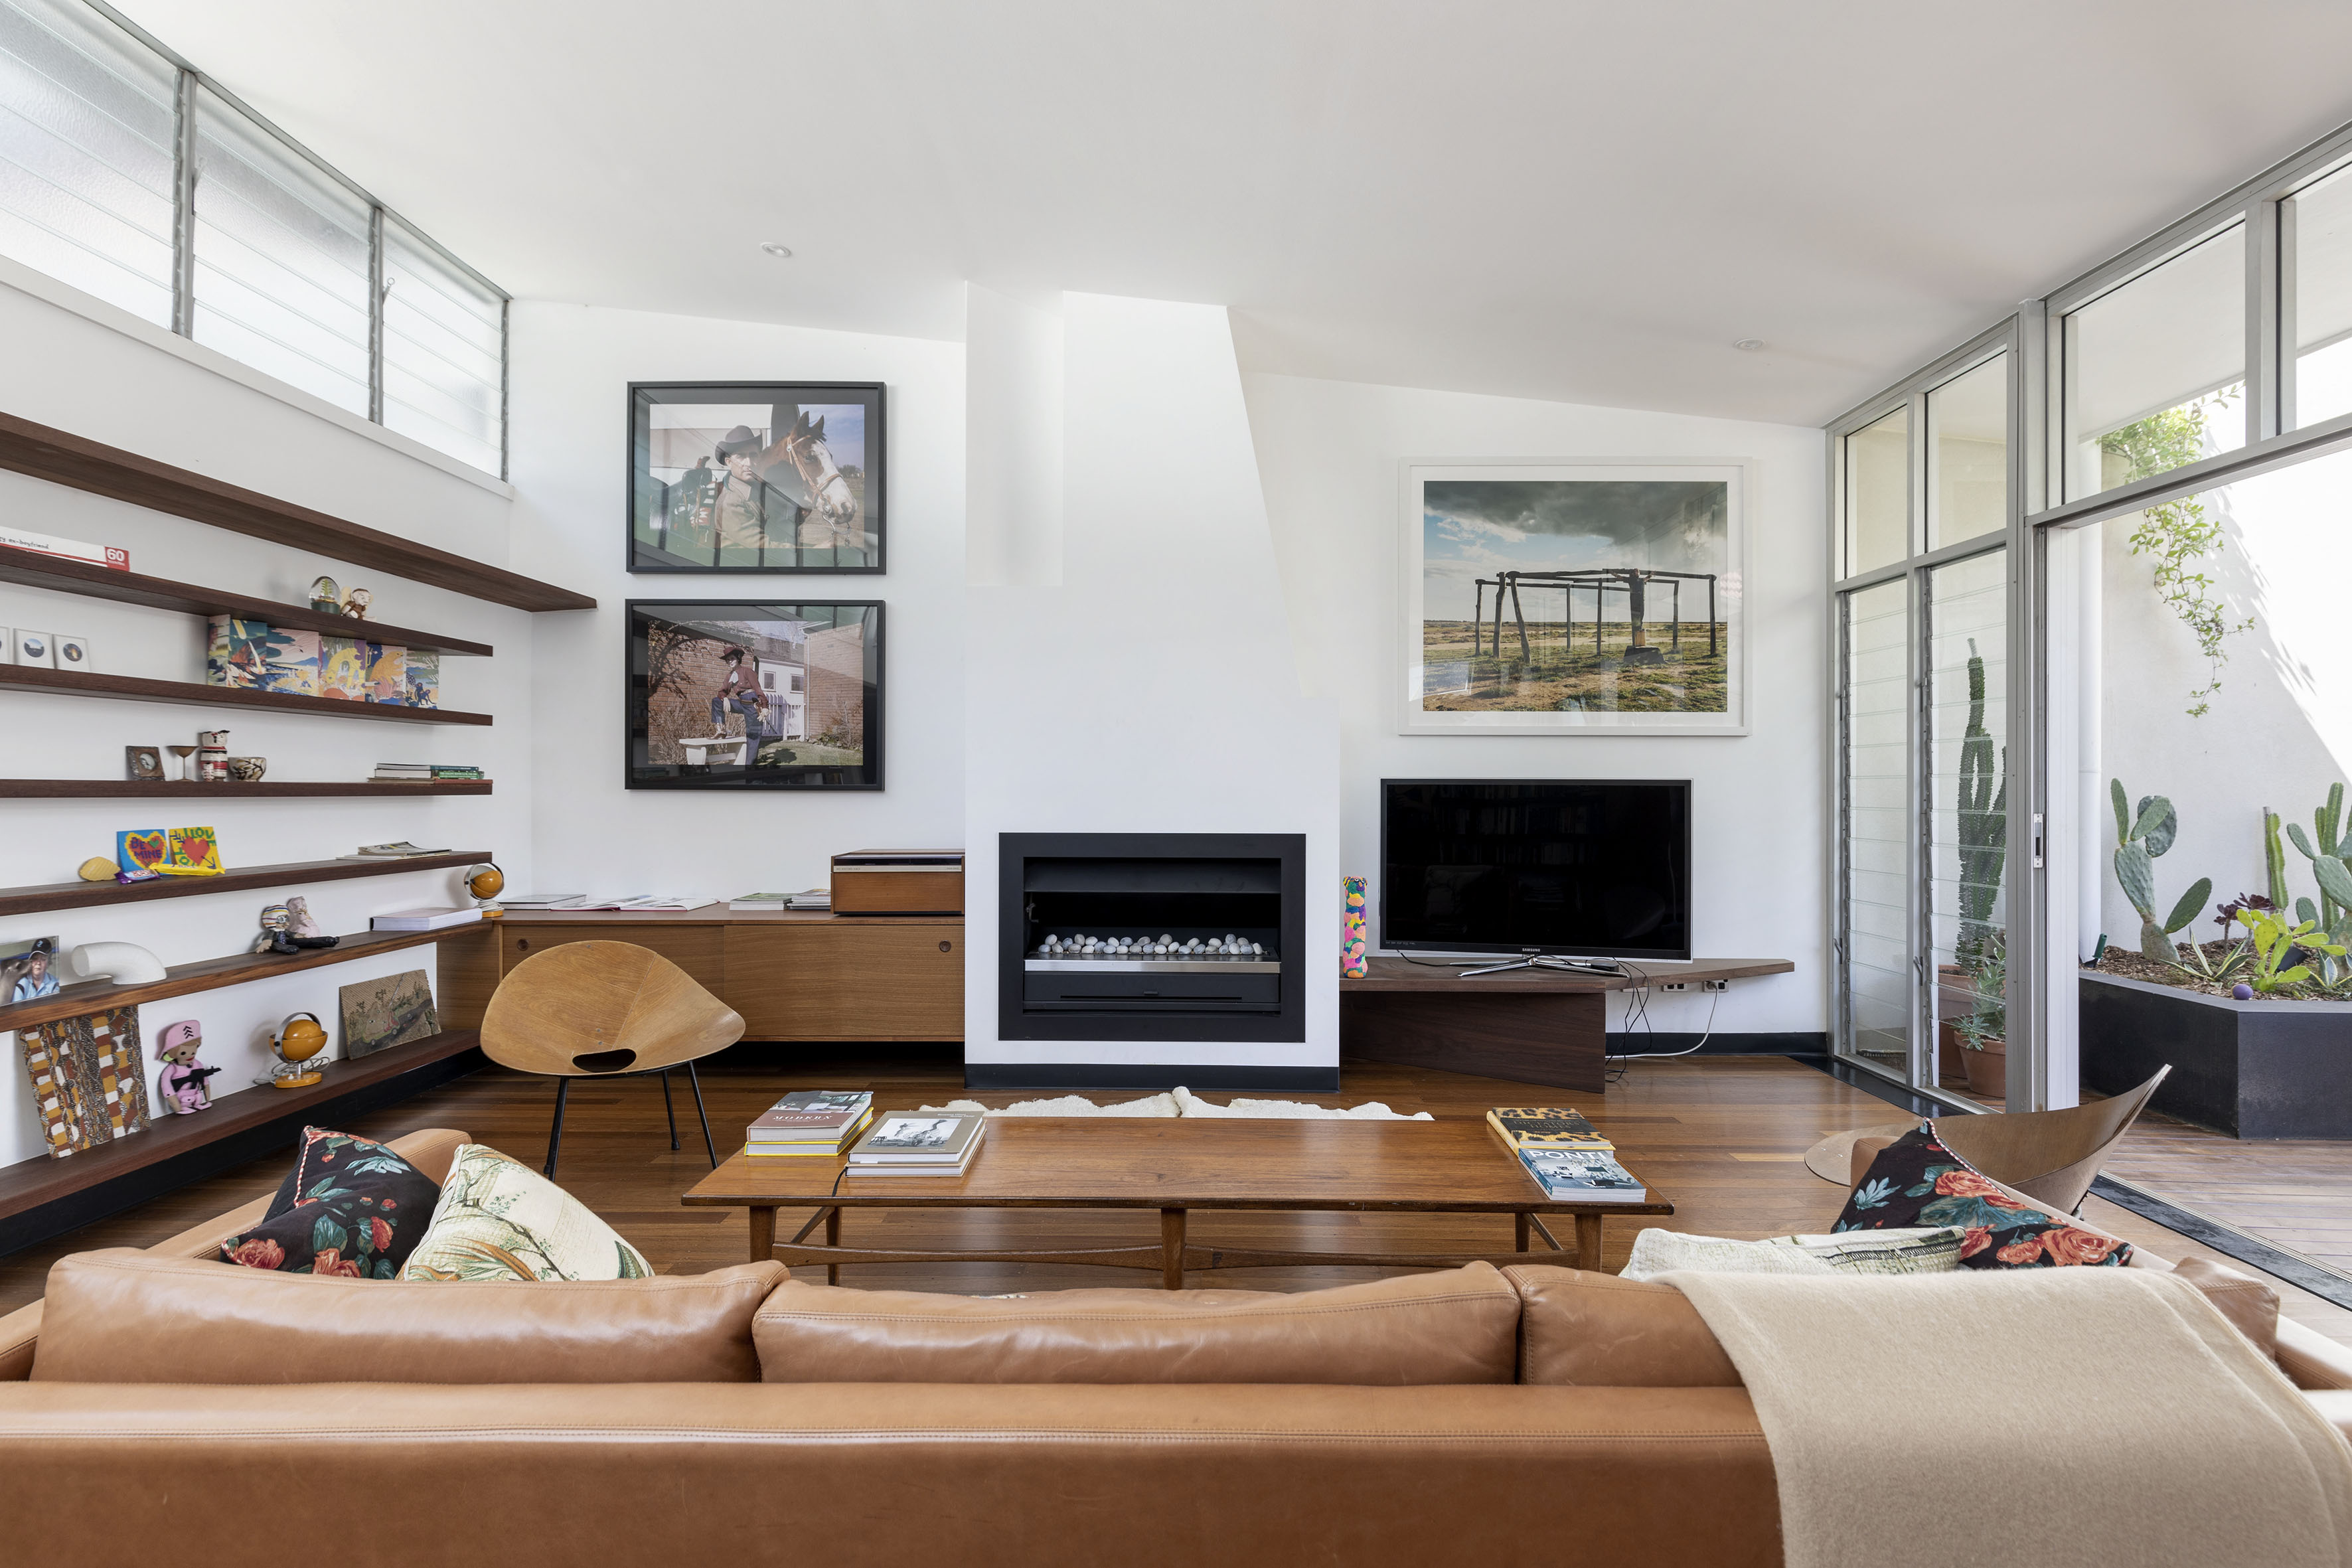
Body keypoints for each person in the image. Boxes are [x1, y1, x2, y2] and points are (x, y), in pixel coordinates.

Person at [708, 647, 770, 738]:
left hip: (752, 705)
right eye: (728, 660)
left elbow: (758, 688)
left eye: (732, 659)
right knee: (717, 701)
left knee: (752, 737)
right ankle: (721, 730)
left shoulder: (747, 671)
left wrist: (765, 706)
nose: (730, 661)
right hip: (741, 704)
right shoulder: (729, 676)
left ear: (738, 659)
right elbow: (722, 691)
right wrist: (724, 698)